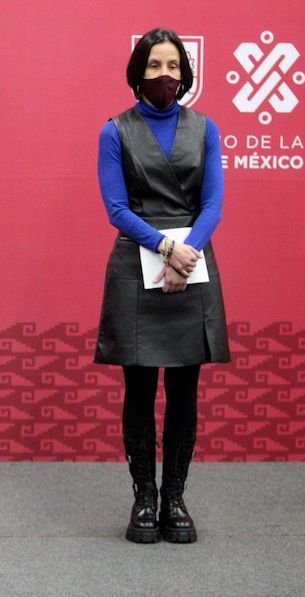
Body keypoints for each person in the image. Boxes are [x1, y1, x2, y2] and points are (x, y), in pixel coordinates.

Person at [94, 28, 230, 544]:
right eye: (154, 66)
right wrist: (167, 249)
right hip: (139, 264)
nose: (165, 76)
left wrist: (187, 252)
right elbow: (116, 210)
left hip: (192, 263)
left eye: (173, 66)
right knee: (140, 387)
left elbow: (212, 205)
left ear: (186, 73)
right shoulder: (115, 131)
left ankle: (175, 497)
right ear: (137, 72)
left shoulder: (205, 128)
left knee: (184, 388)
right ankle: (143, 499)